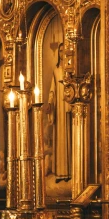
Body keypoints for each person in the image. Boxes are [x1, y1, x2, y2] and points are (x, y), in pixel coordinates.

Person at [47, 43, 71, 181]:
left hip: (68, 107)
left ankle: (69, 172)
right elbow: (52, 90)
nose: (62, 54)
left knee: (68, 139)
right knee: (60, 139)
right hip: (59, 109)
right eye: (60, 51)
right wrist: (50, 103)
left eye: (64, 51)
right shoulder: (56, 71)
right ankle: (60, 172)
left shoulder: (70, 70)